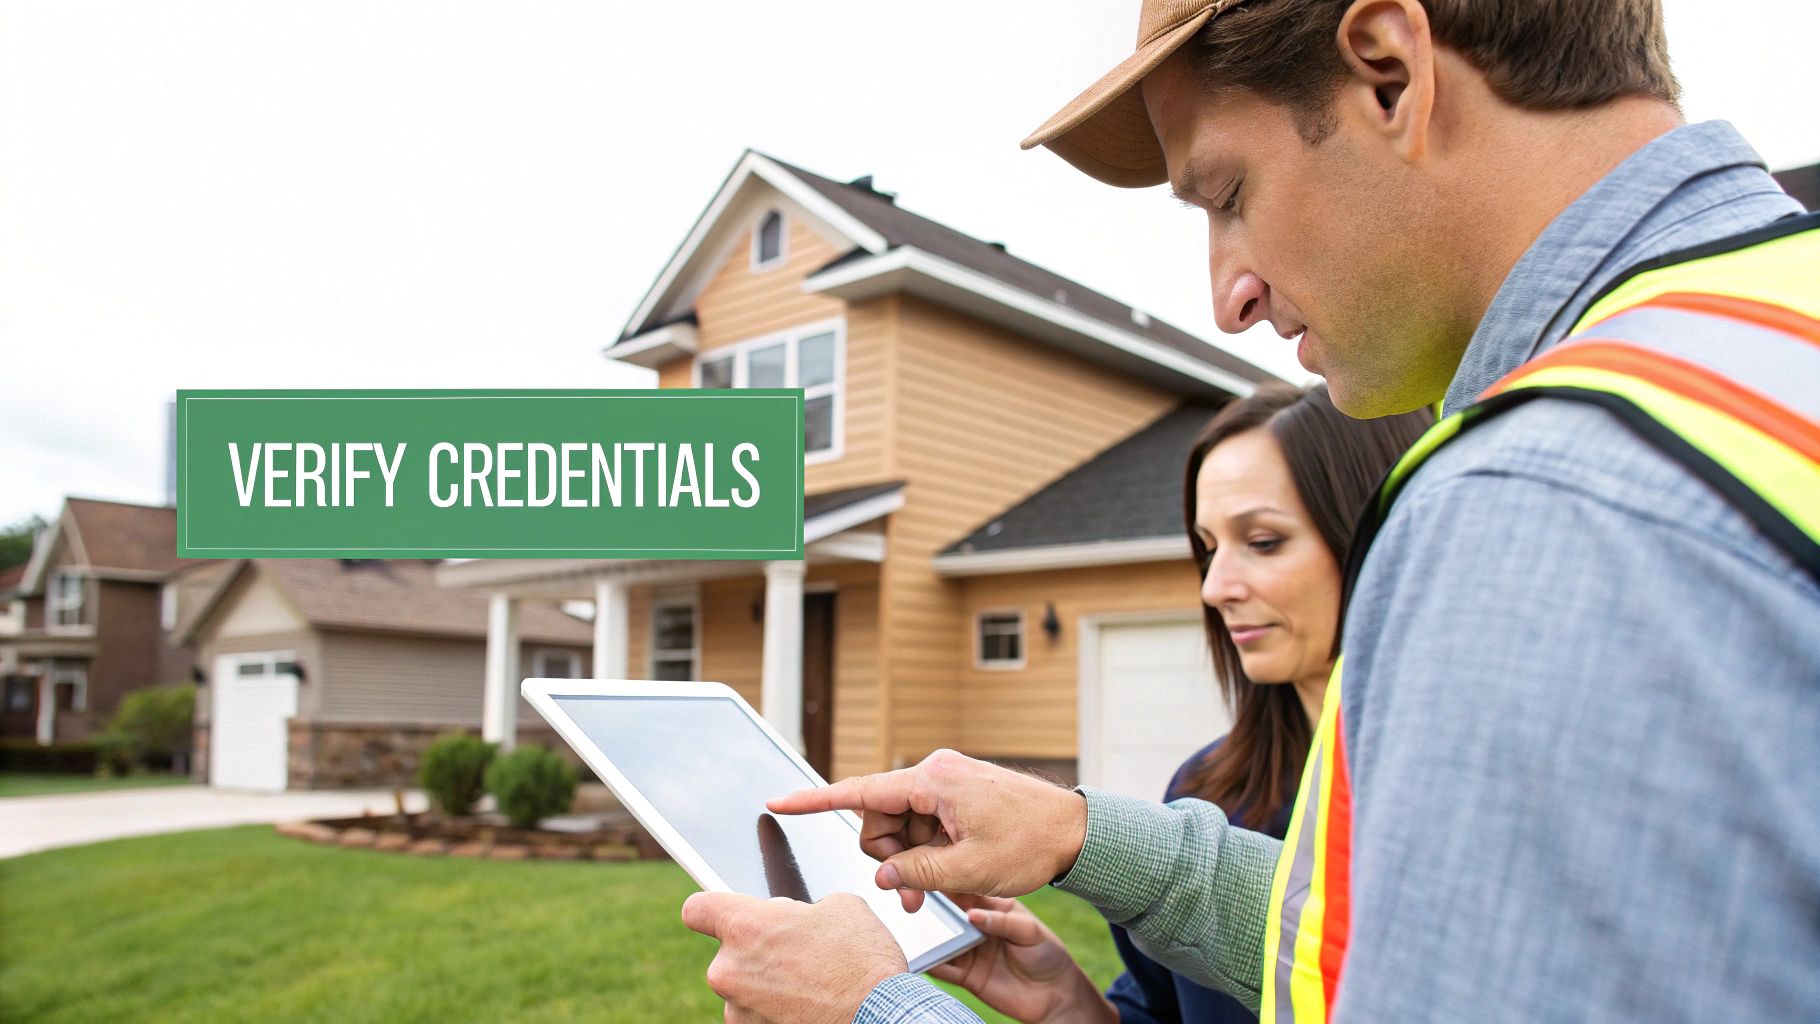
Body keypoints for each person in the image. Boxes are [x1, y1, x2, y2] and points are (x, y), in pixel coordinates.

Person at [682, 1, 1820, 1021]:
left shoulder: (1536, 503)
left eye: (1226, 195)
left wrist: (876, 1011)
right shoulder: (1760, 330)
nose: (1227, 295)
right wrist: (1079, 835)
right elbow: (1395, 943)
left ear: (1387, 70)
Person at [933, 384, 1431, 1024]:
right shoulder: (1208, 791)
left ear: (1373, 535)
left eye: (1264, 541)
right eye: (1209, 548)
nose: (1217, 586)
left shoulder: (1447, 805)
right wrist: (1067, 1004)